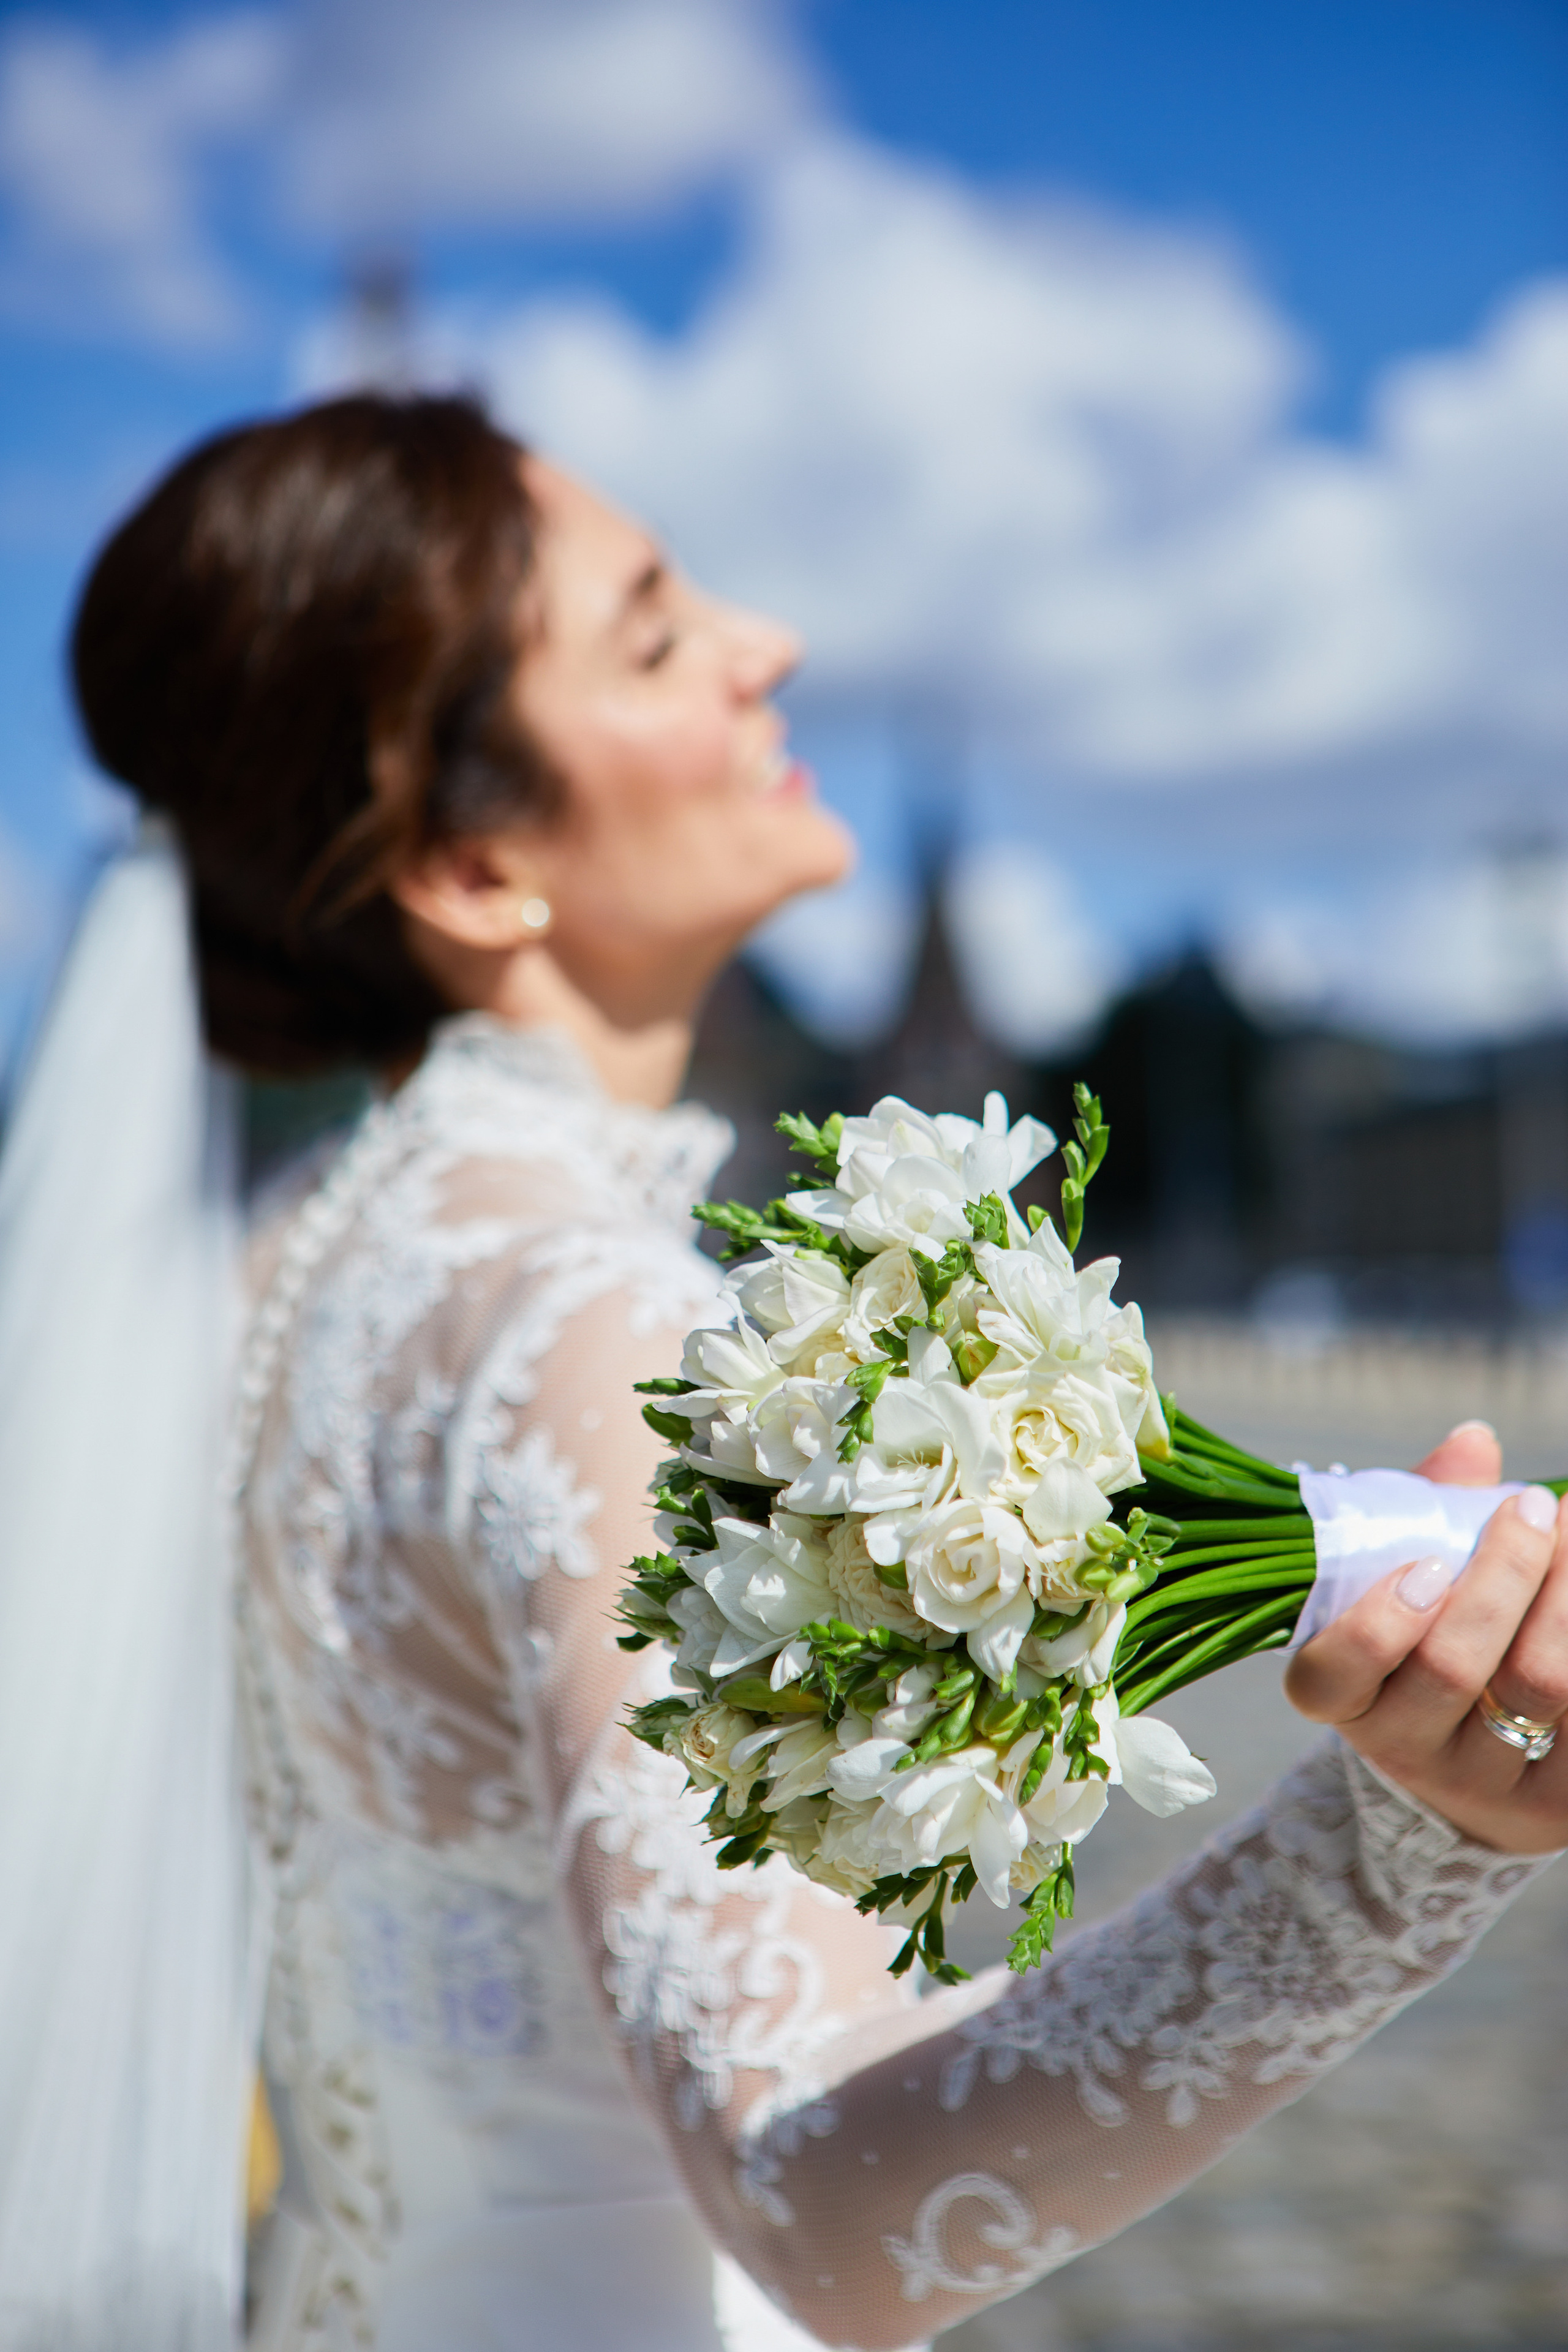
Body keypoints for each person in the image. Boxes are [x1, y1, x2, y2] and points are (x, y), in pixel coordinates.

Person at [0, 392, 1564, 2352]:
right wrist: (1408, 1849)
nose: (770, 645)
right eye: (657, 637)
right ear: (474, 867)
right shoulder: (598, 1328)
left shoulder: (278, 1267)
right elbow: (820, 2204)